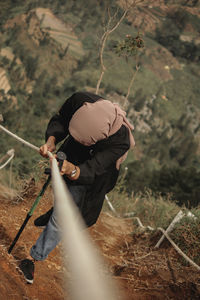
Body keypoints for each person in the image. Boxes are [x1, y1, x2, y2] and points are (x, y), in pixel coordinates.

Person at [19, 91, 135, 283]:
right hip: (72, 151)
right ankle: (54, 212)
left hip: (94, 175)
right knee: (60, 192)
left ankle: (34, 257)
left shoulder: (119, 140)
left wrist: (73, 170)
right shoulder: (80, 100)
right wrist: (51, 140)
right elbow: (62, 119)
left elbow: (95, 167)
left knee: (68, 216)